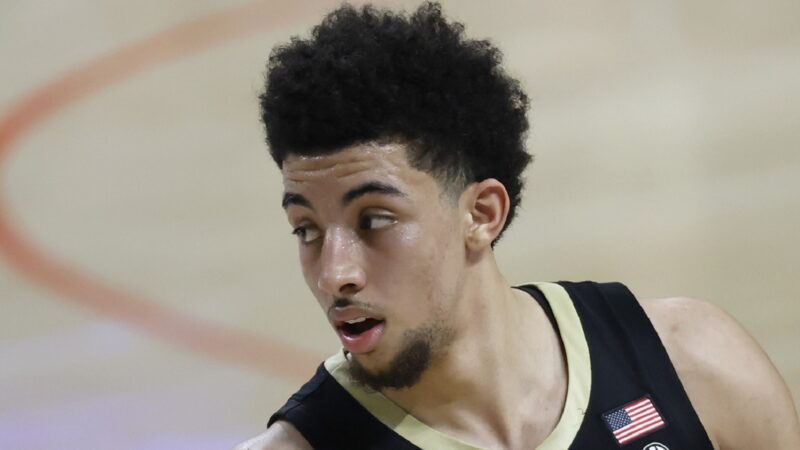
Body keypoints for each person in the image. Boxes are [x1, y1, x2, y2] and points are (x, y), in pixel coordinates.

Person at [236, 3, 800, 449]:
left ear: (481, 215)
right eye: (306, 229)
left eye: (375, 220)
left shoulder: (694, 365)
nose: (335, 275)